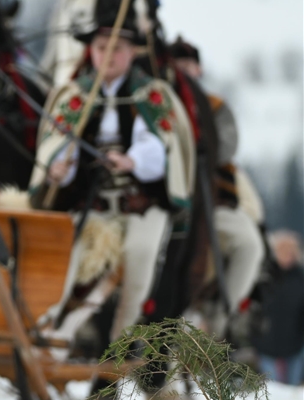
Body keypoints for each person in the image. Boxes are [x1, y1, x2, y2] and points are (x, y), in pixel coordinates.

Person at [30, 23, 195, 345]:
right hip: (91, 207)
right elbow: (56, 145)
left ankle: (121, 341)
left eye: (117, 48)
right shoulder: (74, 94)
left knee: (140, 259)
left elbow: (162, 145)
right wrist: (58, 168)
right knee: (60, 260)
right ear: (90, 51)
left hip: (141, 206)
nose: (108, 56)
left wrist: (132, 160)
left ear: (133, 53)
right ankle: (46, 333)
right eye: (101, 47)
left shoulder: (152, 95)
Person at [168, 37, 266, 323]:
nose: (184, 71)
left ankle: (220, 317)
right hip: (167, 202)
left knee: (249, 243)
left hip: (212, 200)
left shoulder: (214, 107)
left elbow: (226, 149)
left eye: (189, 65)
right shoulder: (156, 104)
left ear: (199, 70)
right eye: (178, 65)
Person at [252, 230, 304, 385]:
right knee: (272, 392)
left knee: (292, 390)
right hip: (266, 343)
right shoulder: (262, 275)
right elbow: (249, 306)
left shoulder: (301, 278)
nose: (288, 254)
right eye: (283, 250)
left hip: (296, 344)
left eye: (291, 250)